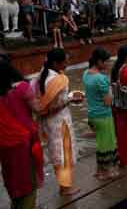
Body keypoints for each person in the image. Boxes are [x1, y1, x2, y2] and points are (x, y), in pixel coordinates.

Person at [33, 49, 79, 195]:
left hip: (52, 122)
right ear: (55, 63)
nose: (67, 64)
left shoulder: (43, 75)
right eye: (65, 61)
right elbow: (50, 107)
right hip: (58, 121)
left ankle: (64, 186)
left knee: (58, 152)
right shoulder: (54, 80)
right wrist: (69, 99)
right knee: (63, 153)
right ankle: (65, 188)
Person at [0, 57, 44, 209]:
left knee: (13, 181)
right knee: (28, 184)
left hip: (4, 145)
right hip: (24, 140)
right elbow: (39, 109)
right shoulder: (22, 88)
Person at [83, 48, 119, 180]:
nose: (109, 64)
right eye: (107, 62)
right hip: (103, 115)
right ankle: (106, 172)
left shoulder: (86, 74)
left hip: (92, 115)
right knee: (107, 144)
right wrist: (110, 87)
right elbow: (108, 102)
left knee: (100, 142)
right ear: (99, 61)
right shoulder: (101, 78)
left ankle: (99, 170)